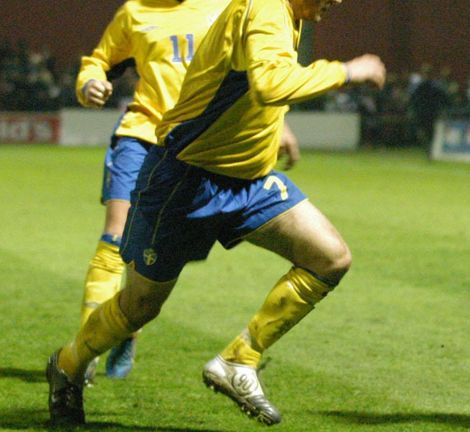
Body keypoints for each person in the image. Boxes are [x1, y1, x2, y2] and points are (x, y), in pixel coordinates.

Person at [46, 0, 386, 426]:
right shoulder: (265, 8)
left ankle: (239, 359)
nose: (336, 1)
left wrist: (277, 127)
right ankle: (68, 365)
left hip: (249, 181)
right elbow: (269, 83)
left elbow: (247, 85)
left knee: (329, 257)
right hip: (186, 182)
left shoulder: (280, 13)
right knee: (139, 307)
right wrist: (348, 72)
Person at [73, 0, 228, 384]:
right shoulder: (136, 12)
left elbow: (255, 66)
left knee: (149, 253)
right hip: (141, 135)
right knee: (115, 235)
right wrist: (89, 83)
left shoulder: (229, 6)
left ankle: (126, 325)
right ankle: (85, 348)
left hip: (195, 145)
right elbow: (99, 60)